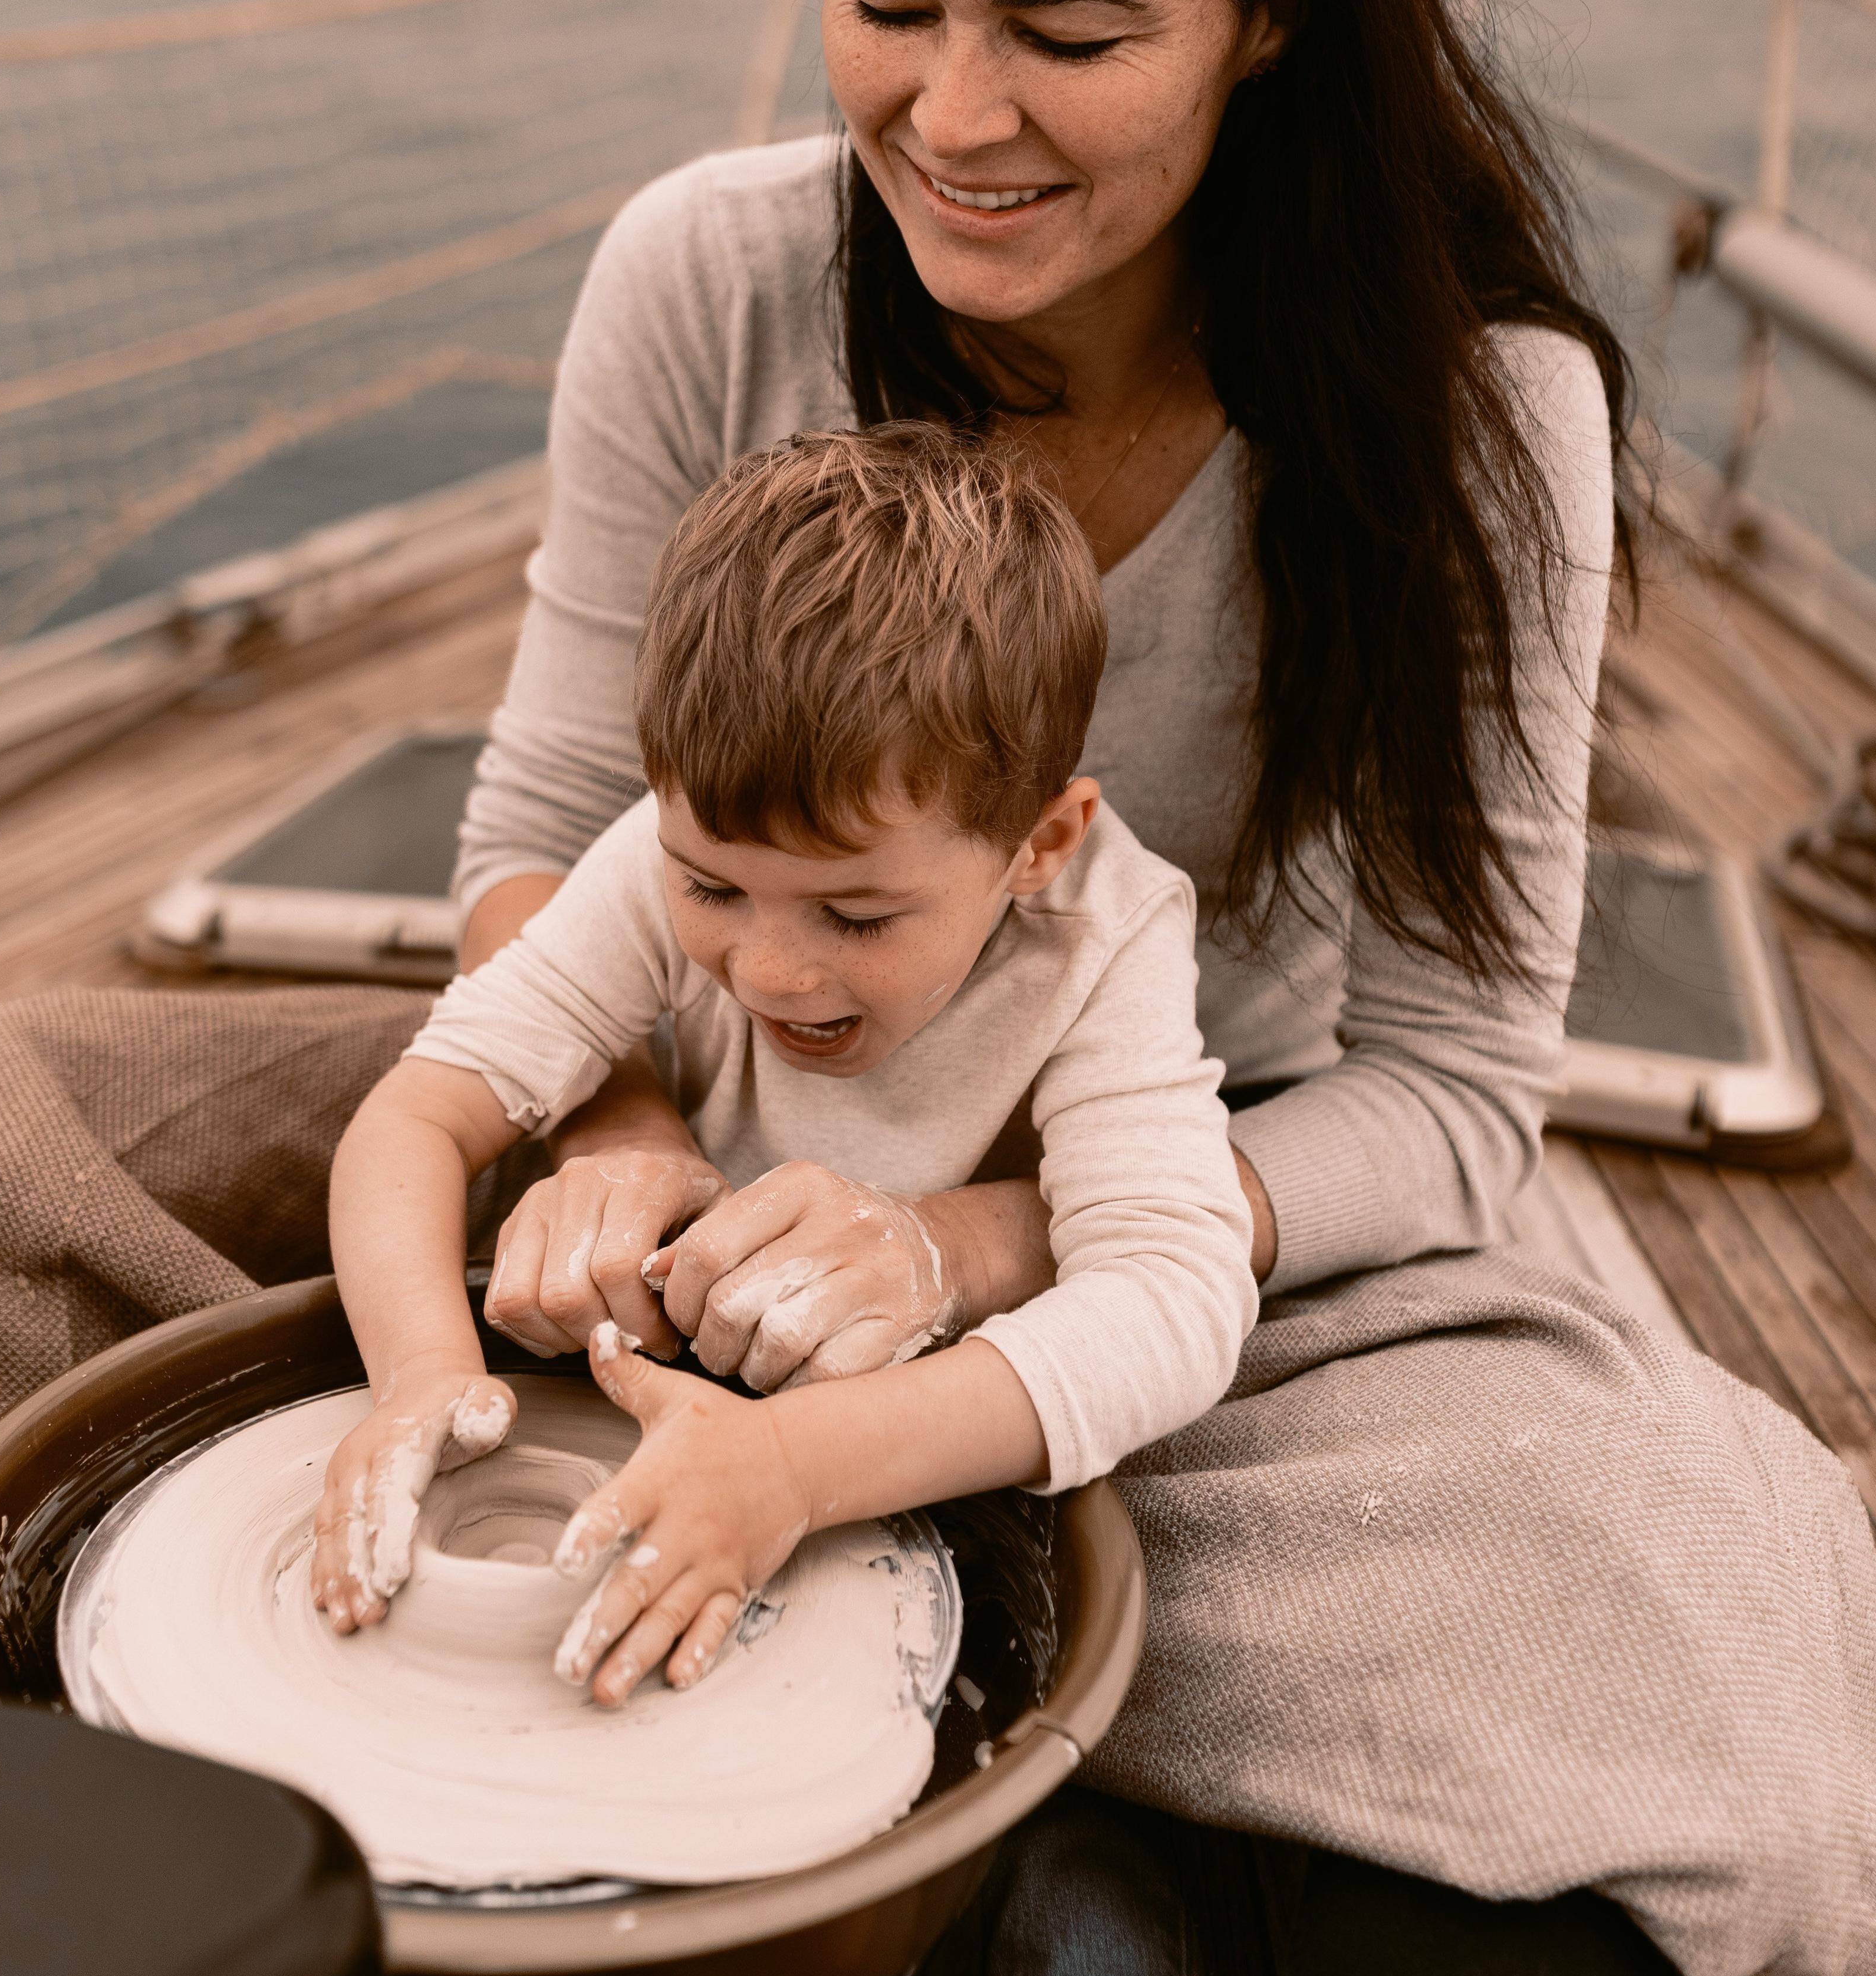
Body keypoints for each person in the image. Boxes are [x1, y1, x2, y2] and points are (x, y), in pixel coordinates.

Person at [0, 0, 1876, 1976]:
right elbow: (546, 834)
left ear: (1273, 12)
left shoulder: (1475, 421)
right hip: (695, 1086)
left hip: (1199, 1204)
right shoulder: (699, 282)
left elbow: (1450, 1099)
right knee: (1, 1125)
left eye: (1067, 29)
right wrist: (606, 1128)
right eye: (885, 0)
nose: (951, 115)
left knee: (1594, 1590)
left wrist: (969, 1247)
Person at [310, 425, 1257, 1700]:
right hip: (670, 1334)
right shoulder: (669, 843)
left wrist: (794, 1468)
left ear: (1039, 841)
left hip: (909, 1407)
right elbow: (420, 1115)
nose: (766, 971)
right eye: (712, 889)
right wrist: (422, 1378)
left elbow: (1172, 1297)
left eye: (854, 918)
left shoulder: (1104, 930)